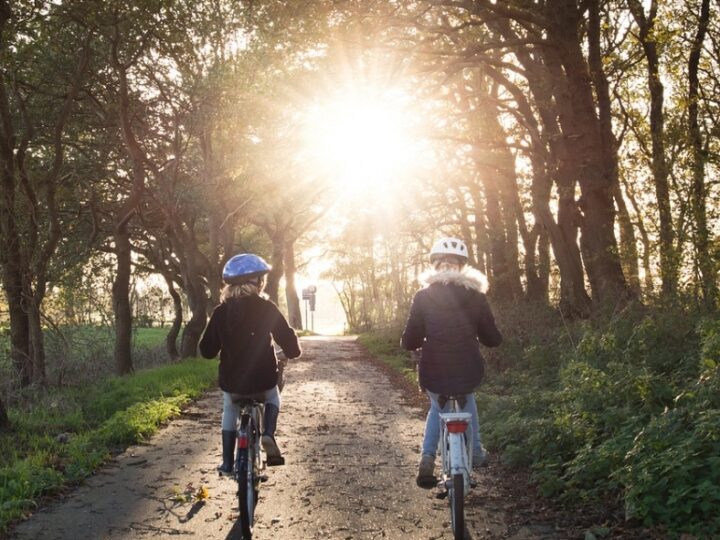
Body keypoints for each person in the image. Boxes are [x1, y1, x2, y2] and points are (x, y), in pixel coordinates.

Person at [401, 237, 502, 488]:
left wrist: (410, 344)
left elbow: (410, 338)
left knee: (437, 406)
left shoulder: (423, 296)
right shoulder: (476, 296)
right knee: (468, 399)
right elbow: (492, 338)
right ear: (462, 267)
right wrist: (489, 337)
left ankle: (427, 458)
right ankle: (476, 451)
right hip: (468, 366)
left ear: (435, 266)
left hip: (433, 367)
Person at [199, 253, 302, 474]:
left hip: (232, 382)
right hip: (263, 380)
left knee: (230, 407)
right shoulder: (267, 308)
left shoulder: (220, 312)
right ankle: (268, 435)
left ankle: (227, 463)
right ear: (258, 282)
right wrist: (291, 351)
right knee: (273, 396)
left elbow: (206, 351)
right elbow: (289, 343)